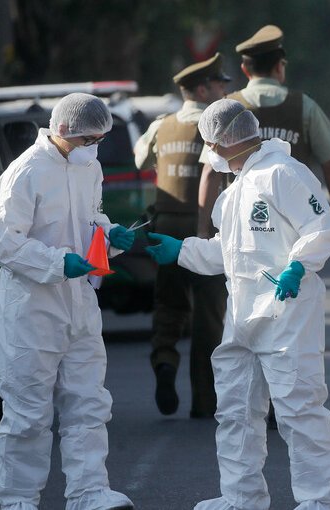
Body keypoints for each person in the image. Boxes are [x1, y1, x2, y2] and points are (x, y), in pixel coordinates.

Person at [146, 99, 330, 510]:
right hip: (242, 316)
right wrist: (181, 250)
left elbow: (321, 228)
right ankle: (241, 498)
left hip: (287, 312)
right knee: (236, 410)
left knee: (299, 411)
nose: (209, 154)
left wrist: (298, 266)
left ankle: (322, 502)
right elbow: (230, 252)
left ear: (222, 142)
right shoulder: (236, 187)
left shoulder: (284, 174)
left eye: (209, 145)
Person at [0, 93, 135, 510]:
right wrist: (56, 262)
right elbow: (4, 242)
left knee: (88, 402)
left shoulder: (89, 167)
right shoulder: (25, 173)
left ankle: (89, 492)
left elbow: (90, 221)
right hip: (30, 308)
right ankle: (18, 500)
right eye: (90, 139)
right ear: (64, 131)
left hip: (78, 301)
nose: (96, 147)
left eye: (101, 140)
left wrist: (109, 236)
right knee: (27, 412)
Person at [134, 53, 231, 418]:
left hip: (165, 226)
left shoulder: (163, 125)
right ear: (203, 88)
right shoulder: (214, 127)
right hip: (203, 228)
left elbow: (140, 159)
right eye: (220, 84)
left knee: (170, 303)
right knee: (208, 315)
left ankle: (164, 362)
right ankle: (204, 402)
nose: (224, 90)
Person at [213, 24, 330, 242]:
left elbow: (210, 171)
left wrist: (207, 227)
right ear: (279, 67)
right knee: (296, 271)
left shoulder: (227, 107)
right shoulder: (305, 105)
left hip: (242, 219)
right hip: (295, 220)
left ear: (245, 70)